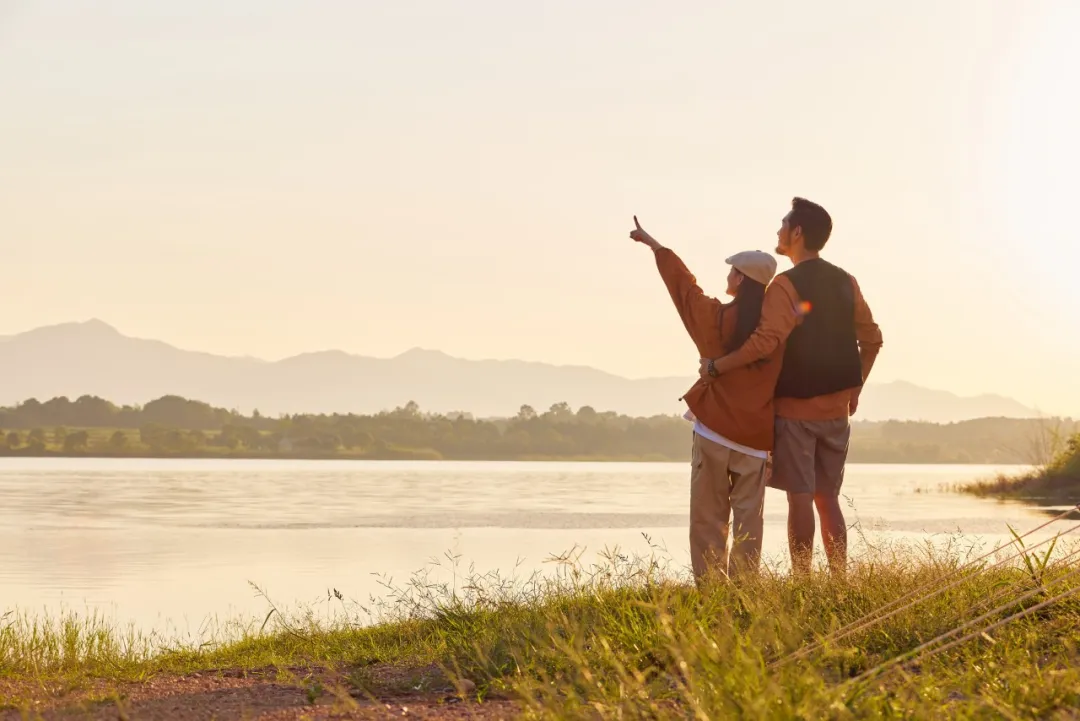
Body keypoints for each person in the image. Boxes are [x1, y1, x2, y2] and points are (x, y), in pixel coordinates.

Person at [698, 198, 883, 575]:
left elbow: (765, 342)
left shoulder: (785, 284)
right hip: (837, 414)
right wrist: (856, 387)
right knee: (827, 498)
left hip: (795, 412)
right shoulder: (847, 281)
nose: (778, 231)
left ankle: (802, 581)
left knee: (800, 499)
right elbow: (874, 339)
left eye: (783, 224)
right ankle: (840, 581)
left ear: (797, 233)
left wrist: (718, 366)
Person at [629, 216, 783, 582]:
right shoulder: (776, 333)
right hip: (755, 440)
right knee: (749, 523)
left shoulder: (714, 318)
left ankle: (712, 594)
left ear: (741, 279)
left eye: (732, 270)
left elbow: (684, 289)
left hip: (713, 432)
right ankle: (746, 592)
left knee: (708, 519)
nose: (728, 274)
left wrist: (656, 246)